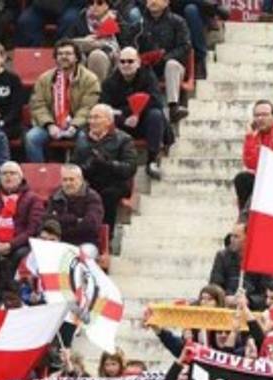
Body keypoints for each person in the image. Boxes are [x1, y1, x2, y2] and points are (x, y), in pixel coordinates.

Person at [25, 40, 101, 164]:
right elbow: (38, 105)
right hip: (51, 124)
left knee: (84, 139)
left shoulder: (90, 79)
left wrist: (74, 126)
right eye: (60, 54)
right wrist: (49, 125)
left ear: (77, 57)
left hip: (80, 125)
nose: (63, 57)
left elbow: (88, 107)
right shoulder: (44, 79)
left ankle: (76, 176)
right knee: (31, 138)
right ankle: (40, 175)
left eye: (68, 54)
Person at [101, 47, 168, 180]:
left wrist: (136, 112)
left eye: (130, 61)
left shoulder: (148, 76)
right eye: (122, 61)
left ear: (138, 63)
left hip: (144, 122)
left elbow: (156, 101)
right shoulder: (109, 83)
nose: (126, 65)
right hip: (121, 124)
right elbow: (105, 108)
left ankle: (152, 160)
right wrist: (124, 118)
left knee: (155, 114)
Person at [72, 103, 136, 227]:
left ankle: (107, 235)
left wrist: (107, 164)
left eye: (96, 117)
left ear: (109, 121)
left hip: (114, 182)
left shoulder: (124, 139)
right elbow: (74, 166)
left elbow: (130, 168)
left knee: (107, 194)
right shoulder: (82, 139)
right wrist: (88, 166)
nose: (92, 121)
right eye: (90, 118)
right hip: (90, 181)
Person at [137, 0, 193, 124]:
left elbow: (185, 47)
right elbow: (132, 43)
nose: (153, 2)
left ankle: (173, 107)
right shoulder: (139, 22)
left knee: (171, 65)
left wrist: (165, 57)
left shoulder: (178, 21)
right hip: (147, 64)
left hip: (171, 65)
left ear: (167, 2)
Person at [0, 162, 46, 294]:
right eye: (4, 173)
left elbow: (33, 228)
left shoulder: (33, 199)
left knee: (20, 255)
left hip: (20, 244)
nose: (8, 177)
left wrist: (11, 244)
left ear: (21, 177)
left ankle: (10, 293)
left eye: (12, 173)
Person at [44, 164, 104, 255]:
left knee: (80, 257)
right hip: (58, 242)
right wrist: (74, 220)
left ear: (80, 180)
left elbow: (91, 226)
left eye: (72, 179)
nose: (68, 183)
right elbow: (47, 220)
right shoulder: (55, 196)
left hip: (85, 242)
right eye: (65, 180)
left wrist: (60, 226)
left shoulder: (92, 197)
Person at [0, 44, 26, 143]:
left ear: (3, 58)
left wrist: (2, 122)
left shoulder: (13, 79)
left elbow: (16, 108)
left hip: (9, 124)